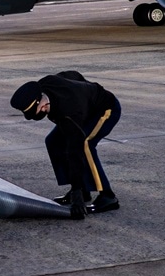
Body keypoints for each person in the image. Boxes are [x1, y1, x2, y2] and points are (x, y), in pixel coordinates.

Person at [9, 70, 122, 219]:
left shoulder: (70, 111)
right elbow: (72, 75)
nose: (42, 113)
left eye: (39, 111)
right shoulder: (45, 84)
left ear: (42, 105)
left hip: (105, 109)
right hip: (83, 110)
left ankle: (107, 196)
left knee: (85, 145)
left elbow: (74, 151)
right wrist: (84, 90)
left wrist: (77, 196)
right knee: (53, 142)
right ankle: (83, 190)